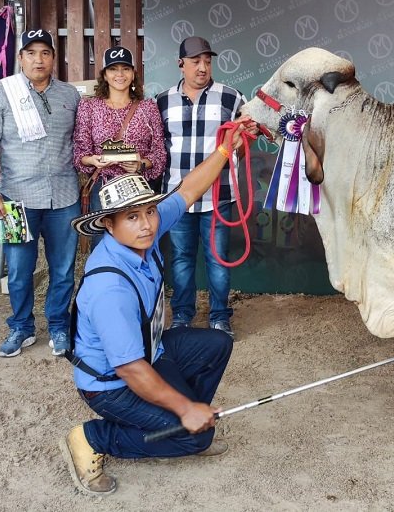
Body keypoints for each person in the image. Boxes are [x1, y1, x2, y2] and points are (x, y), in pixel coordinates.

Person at [60, 118, 255, 496]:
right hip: (112, 385)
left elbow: (190, 188)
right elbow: (130, 370)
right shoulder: (109, 288)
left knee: (216, 344)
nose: (147, 224)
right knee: (195, 436)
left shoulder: (143, 230)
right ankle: (93, 437)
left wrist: (226, 150)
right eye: (132, 217)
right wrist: (184, 409)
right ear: (109, 226)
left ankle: (185, 420)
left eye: (149, 212)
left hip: (152, 353)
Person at [0, 29, 81, 358]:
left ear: (53, 58)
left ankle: (59, 325)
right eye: (31, 52)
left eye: (45, 53)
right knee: (20, 270)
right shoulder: (1, 93)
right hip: (14, 199)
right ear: (20, 58)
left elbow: (80, 143)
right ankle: (21, 326)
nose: (39, 59)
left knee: (63, 269)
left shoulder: (70, 95)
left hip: (64, 197)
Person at [156, 36, 244, 338]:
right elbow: (159, 149)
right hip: (178, 197)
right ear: (181, 64)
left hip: (218, 195)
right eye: (195, 62)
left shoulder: (232, 97)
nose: (203, 68)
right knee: (180, 259)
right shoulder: (162, 100)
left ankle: (220, 317)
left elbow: (242, 145)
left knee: (218, 259)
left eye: (207, 61)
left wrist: (239, 145)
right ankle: (182, 315)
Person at [72, 45, 166, 249]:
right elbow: (80, 153)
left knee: (140, 242)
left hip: (137, 187)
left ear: (133, 74)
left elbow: (159, 152)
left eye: (126, 68)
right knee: (103, 244)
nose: (120, 74)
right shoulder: (89, 107)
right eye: (113, 69)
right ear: (105, 75)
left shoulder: (148, 107)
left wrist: (140, 164)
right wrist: (93, 160)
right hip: (103, 188)